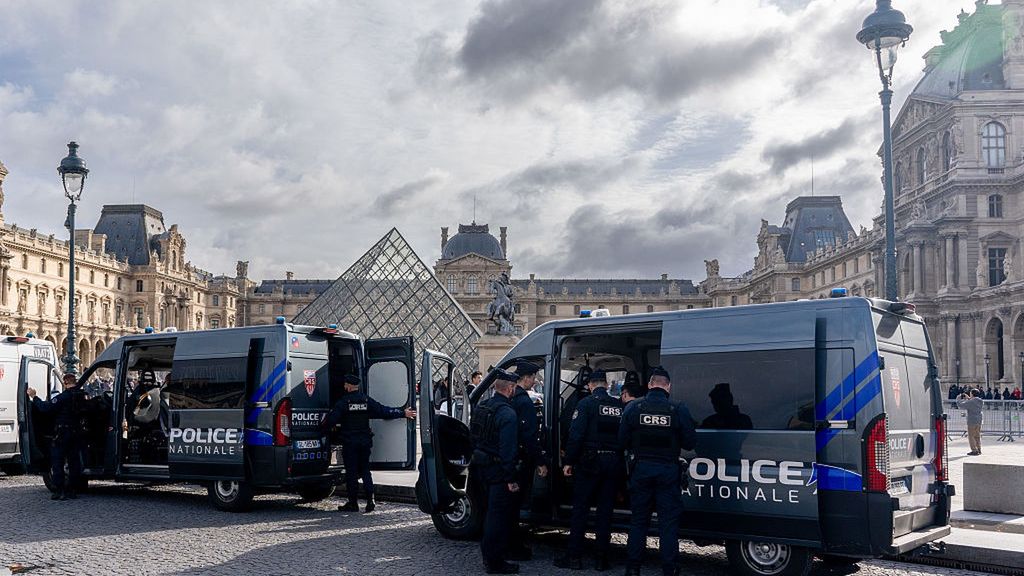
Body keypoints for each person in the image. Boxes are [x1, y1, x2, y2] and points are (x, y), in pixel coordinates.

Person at [619, 366, 697, 576]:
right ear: (668, 387)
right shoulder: (678, 408)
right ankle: (669, 569)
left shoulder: (634, 407)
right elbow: (690, 442)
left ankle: (633, 568)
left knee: (638, 521)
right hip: (667, 471)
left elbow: (622, 440)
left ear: (650, 384)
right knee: (668, 523)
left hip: (641, 470)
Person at [555, 370, 624, 571]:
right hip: (612, 462)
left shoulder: (586, 404)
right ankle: (601, 559)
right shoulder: (618, 405)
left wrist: (568, 461)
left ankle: (574, 557)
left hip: (589, 462)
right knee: (605, 512)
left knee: (581, 510)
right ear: (605, 384)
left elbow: (576, 436)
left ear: (591, 385)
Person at [322, 373, 415, 512]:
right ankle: (371, 501)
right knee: (365, 471)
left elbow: (330, 421)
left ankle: (353, 503)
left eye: (345, 384)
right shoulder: (366, 400)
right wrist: (403, 413)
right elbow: (384, 411)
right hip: (365, 442)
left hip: (350, 443)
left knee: (351, 473)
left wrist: (322, 426)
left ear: (348, 386)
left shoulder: (344, 402)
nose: (344, 386)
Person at [471, 369, 521, 575]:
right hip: (498, 471)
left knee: (486, 512)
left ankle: (487, 554)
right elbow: (508, 450)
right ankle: (494, 562)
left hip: (480, 467)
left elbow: (472, 437)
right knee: (497, 516)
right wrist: (511, 478)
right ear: (509, 388)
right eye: (514, 388)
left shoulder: (482, 407)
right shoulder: (508, 414)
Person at [508, 359, 549, 560]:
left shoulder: (510, 398)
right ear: (526, 378)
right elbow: (530, 437)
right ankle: (514, 547)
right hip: (522, 460)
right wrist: (541, 461)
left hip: (509, 458)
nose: (535, 381)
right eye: (533, 377)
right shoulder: (524, 402)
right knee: (516, 506)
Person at [27, 373, 88, 500]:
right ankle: (73, 490)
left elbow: (46, 408)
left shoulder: (64, 397)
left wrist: (34, 397)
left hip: (62, 433)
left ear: (65, 382)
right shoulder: (82, 396)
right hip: (77, 432)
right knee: (74, 462)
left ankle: (59, 490)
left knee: (57, 461)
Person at [959, 388, 984, 456]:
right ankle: (979, 449)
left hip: (972, 420)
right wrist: (969, 398)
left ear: (972, 394)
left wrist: (958, 398)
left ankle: (974, 450)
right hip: (979, 420)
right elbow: (973, 402)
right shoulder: (980, 401)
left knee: (971, 436)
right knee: (977, 436)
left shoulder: (971, 402)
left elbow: (961, 405)